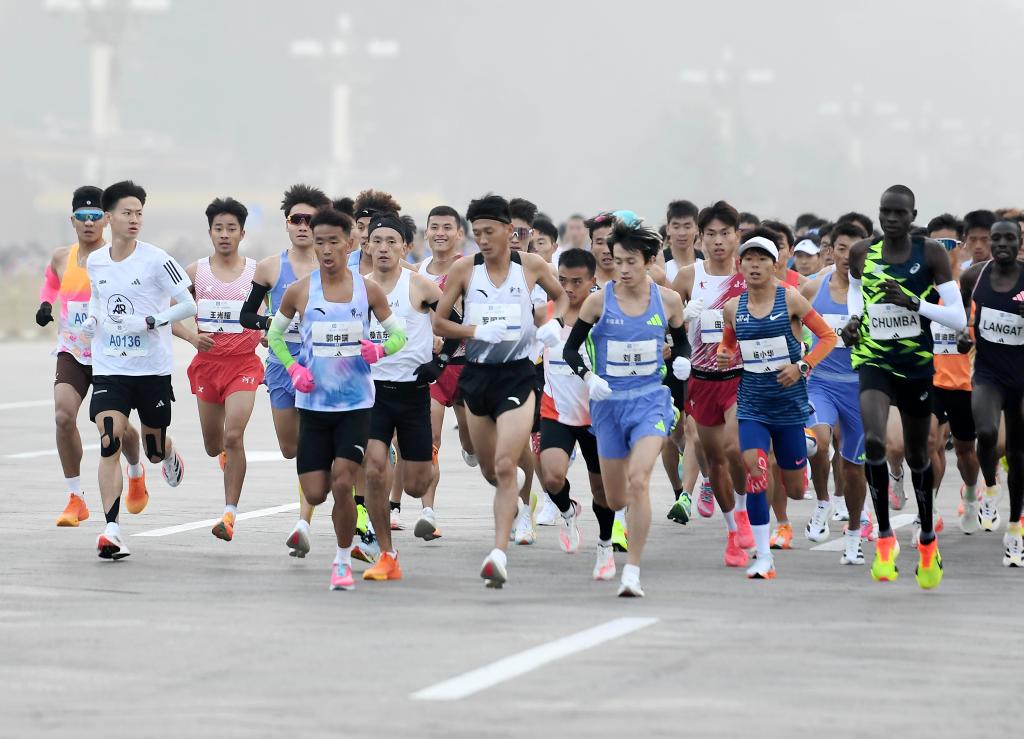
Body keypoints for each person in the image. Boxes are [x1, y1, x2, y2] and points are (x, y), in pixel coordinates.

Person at [267, 207, 407, 590]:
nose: (326, 250)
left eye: (333, 242)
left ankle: (343, 561)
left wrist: (378, 351)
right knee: (316, 490)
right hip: (313, 407)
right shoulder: (300, 291)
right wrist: (294, 368)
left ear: (351, 243)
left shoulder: (368, 290)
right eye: (319, 242)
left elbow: (398, 336)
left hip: (355, 406)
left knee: (344, 482)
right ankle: (337, 523)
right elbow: (275, 336)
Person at [432, 194, 567, 588]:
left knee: (507, 464)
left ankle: (498, 552)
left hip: (518, 374)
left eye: (490, 232)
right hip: (477, 375)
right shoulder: (464, 271)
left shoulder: (532, 266)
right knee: (492, 469)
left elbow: (559, 297)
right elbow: (440, 324)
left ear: (510, 231)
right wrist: (474, 331)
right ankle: (517, 493)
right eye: (477, 234)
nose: (484, 240)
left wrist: (548, 323)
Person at [842, 184, 967, 589]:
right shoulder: (863, 253)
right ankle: (883, 536)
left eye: (899, 213)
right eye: (885, 211)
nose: (891, 218)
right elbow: (857, 297)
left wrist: (914, 303)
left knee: (917, 454)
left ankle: (927, 538)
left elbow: (959, 320)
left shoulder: (928, 253)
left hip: (915, 365)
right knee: (874, 442)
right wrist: (854, 321)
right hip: (874, 360)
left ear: (913, 215)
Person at [562, 219, 690, 596]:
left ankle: (631, 571)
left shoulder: (667, 300)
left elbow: (681, 344)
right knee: (616, 497)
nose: (624, 269)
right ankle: (615, 527)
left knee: (639, 481)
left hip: (651, 402)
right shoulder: (599, 300)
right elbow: (571, 350)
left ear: (650, 260)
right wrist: (589, 377)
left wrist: (682, 362)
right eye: (618, 261)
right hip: (608, 405)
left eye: (632, 261)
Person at [84, 180, 197, 559]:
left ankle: (164, 453)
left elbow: (188, 305)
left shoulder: (156, 259)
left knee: (151, 449)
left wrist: (153, 320)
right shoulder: (96, 260)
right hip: (110, 366)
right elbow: (98, 299)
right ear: (108, 218)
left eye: (139, 213)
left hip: (151, 369)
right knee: (109, 438)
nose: (134, 219)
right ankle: (111, 529)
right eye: (127, 213)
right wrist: (91, 319)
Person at [718, 235, 836, 578]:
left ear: (775, 265)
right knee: (756, 471)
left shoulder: (791, 300)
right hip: (752, 405)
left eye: (762, 260)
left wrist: (802, 366)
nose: (754, 266)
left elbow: (828, 337)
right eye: (748, 260)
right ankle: (763, 557)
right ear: (741, 267)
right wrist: (725, 355)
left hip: (789, 406)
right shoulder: (732, 308)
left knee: (797, 489)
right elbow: (728, 344)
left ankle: (808, 441)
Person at [38, 186, 146, 527]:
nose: (89, 224)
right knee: (62, 415)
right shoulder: (61, 256)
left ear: (106, 219)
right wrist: (44, 304)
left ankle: (135, 470)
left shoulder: (117, 257)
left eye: (95, 217)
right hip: (72, 350)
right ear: (72, 221)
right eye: (82, 218)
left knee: (118, 429)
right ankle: (75, 497)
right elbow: (51, 282)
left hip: (109, 353)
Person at [240, 184, 331, 557]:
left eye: (310, 220)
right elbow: (247, 314)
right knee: (290, 447)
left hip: (324, 365)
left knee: (309, 440)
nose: (303, 227)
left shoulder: (333, 266)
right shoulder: (270, 267)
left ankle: (303, 522)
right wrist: (267, 327)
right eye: (297, 219)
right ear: (287, 224)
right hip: (280, 364)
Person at [360, 213, 448, 580]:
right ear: (366, 246)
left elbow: (454, 324)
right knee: (375, 470)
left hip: (414, 394)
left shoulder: (422, 287)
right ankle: (386, 553)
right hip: (373, 393)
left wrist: (438, 364)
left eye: (391, 242)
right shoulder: (357, 287)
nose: (383, 248)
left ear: (405, 247)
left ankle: (409, 464)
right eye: (376, 241)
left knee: (415, 484)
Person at [671, 200, 753, 566]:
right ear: (700, 239)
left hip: (739, 377)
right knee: (715, 461)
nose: (718, 241)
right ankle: (732, 531)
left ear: (738, 236)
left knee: (735, 448)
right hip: (701, 381)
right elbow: (669, 325)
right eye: (711, 235)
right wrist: (674, 335)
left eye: (726, 234)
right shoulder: (688, 277)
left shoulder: (750, 275)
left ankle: (743, 509)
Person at [179, 197, 263, 541]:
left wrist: (270, 334)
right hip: (208, 366)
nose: (225, 235)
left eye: (231, 229)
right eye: (219, 229)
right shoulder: (195, 272)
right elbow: (165, 313)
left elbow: (279, 313)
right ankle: (223, 455)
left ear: (242, 233)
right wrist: (191, 336)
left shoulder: (258, 273)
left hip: (243, 364)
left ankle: (229, 513)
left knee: (234, 435)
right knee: (214, 446)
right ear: (210, 232)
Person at [537, 248, 617, 578]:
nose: (568, 288)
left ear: (592, 282)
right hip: (556, 408)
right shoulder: (544, 313)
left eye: (577, 282)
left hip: (597, 413)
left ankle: (605, 545)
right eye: (562, 281)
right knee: (552, 475)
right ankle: (568, 512)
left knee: (604, 491)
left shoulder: (604, 315)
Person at [799, 221, 872, 564]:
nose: (848, 256)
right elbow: (791, 322)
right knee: (819, 441)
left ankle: (855, 533)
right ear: (831, 252)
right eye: (841, 249)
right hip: (821, 382)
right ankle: (824, 501)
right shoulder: (814, 288)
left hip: (860, 388)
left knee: (854, 467)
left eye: (856, 249)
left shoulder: (875, 294)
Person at [959, 219, 1024, 566]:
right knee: (984, 430)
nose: (1000, 244)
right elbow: (965, 321)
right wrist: (963, 339)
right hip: (988, 371)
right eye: (995, 237)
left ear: (1019, 242)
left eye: (1008, 238)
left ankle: (1015, 529)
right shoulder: (975, 277)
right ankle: (990, 487)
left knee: (1018, 454)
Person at [412, 205, 476, 540]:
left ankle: (471, 446)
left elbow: (464, 318)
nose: (440, 233)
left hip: (467, 366)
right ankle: (428, 512)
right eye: (434, 226)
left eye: (447, 227)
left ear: (459, 234)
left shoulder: (468, 269)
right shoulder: (418, 271)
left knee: (470, 442)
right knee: (430, 439)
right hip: (433, 369)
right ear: (426, 232)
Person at [923, 213, 975, 542]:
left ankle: (971, 494)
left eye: (949, 244)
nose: (942, 251)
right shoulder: (920, 293)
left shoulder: (972, 289)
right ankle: (929, 511)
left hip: (967, 384)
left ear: (962, 247)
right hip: (931, 381)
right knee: (929, 443)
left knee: (968, 451)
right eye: (935, 244)